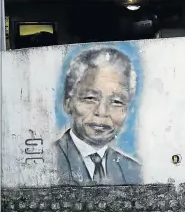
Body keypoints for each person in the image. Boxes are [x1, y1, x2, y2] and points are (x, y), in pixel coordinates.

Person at [54, 47, 142, 186]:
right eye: (90, 98)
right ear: (67, 102)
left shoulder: (134, 172)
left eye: (116, 102)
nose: (102, 112)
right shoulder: (48, 161)